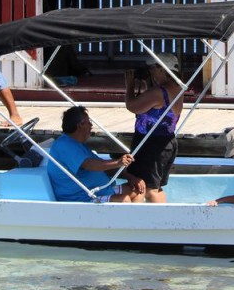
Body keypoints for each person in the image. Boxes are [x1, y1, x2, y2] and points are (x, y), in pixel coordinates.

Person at [47, 106, 144, 203]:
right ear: (80, 125)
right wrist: (118, 162)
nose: (91, 126)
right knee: (123, 200)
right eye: (89, 122)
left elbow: (104, 167)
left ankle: (136, 218)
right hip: (82, 197)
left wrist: (131, 177)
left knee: (139, 189)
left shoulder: (77, 144)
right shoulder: (65, 145)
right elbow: (89, 165)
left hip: (100, 190)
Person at [124, 52, 184, 203]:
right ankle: (162, 217)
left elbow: (132, 106)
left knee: (147, 189)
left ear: (162, 69)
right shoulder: (177, 87)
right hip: (167, 142)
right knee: (156, 187)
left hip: (151, 144)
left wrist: (129, 86)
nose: (150, 71)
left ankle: (159, 222)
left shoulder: (158, 92)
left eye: (152, 68)